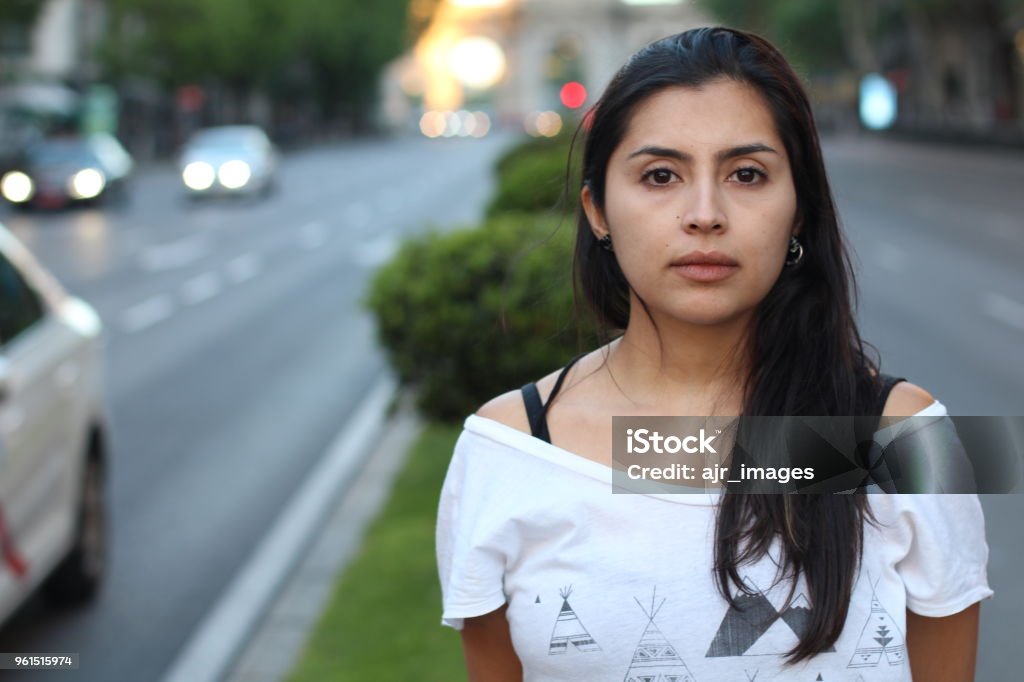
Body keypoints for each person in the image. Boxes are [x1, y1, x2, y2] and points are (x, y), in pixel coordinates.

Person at [436, 26, 992, 681]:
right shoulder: (509, 447)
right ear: (598, 210)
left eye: (747, 174)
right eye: (661, 175)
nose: (705, 213)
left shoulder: (904, 436)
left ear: (799, 213)